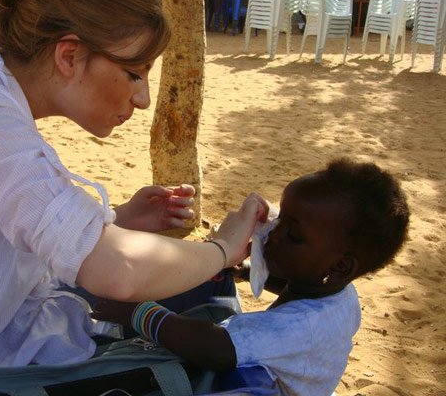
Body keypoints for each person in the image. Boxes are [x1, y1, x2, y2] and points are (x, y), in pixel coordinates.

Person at [0, 0, 269, 388]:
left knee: (201, 291)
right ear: (70, 56)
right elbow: (118, 270)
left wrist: (122, 220)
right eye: (135, 72)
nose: (143, 98)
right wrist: (225, 248)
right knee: (214, 300)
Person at [93, 159, 410, 396]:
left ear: (340, 266)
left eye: (293, 235)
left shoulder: (299, 328)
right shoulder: (336, 291)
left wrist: (139, 313)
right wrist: (244, 271)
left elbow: (218, 349)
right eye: (281, 218)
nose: (273, 234)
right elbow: (295, 287)